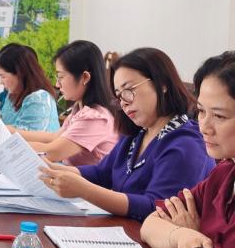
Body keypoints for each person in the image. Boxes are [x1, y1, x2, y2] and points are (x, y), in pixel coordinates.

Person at [39, 47, 214, 221]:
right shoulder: (137, 134)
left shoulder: (187, 144)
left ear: (162, 84)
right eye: (119, 96)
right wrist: (50, 169)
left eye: (129, 90)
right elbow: (101, 173)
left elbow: (157, 207)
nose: (124, 102)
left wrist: (84, 190)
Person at [141, 51, 235, 248]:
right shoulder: (224, 173)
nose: (204, 126)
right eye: (201, 111)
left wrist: (196, 237)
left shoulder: (183, 144)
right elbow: (150, 224)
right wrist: (183, 234)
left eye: (219, 116)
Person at [0, 41, 118, 166]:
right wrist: (10, 132)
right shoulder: (79, 110)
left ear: (85, 77)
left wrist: (4, 144)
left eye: (61, 77)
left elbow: (51, 152)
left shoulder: (94, 118)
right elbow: (54, 137)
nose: (57, 84)